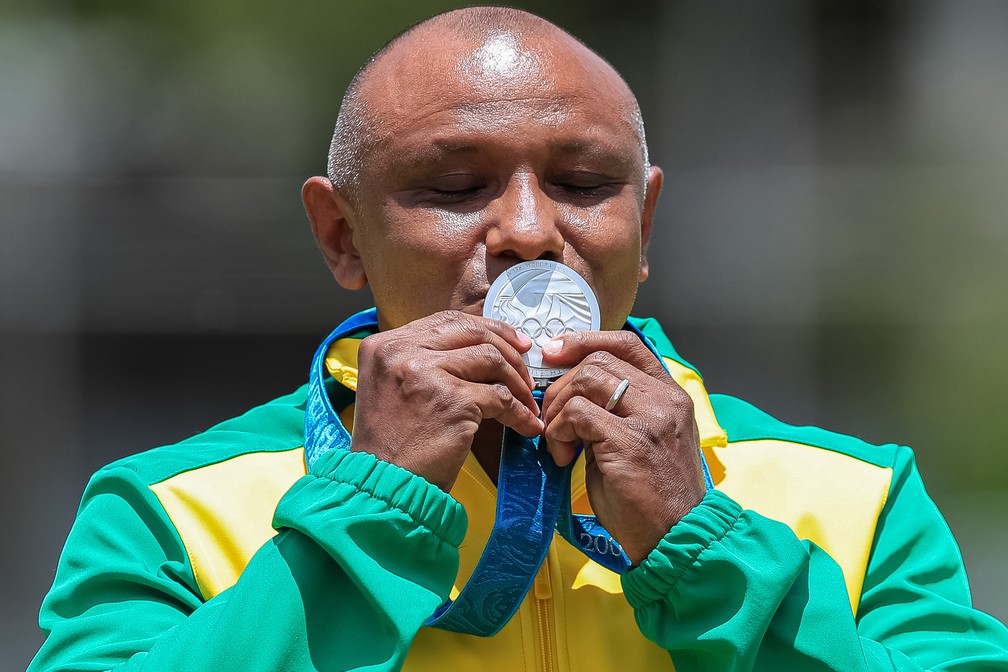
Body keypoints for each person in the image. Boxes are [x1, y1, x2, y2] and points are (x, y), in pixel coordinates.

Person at [29, 6, 1008, 671]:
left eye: (584, 184)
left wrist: (706, 547)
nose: (533, 232)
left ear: (646, 223)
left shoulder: (861, 500)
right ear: (342, 236)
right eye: (455, 188)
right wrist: (368, 512)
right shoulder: (161, 513)